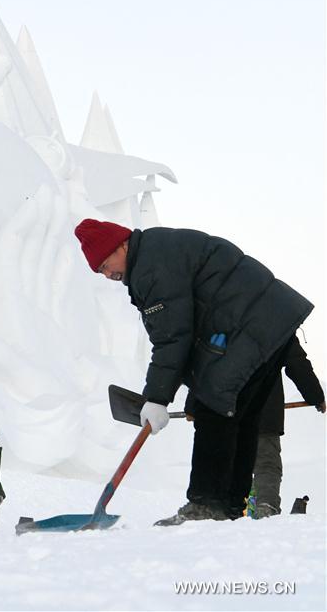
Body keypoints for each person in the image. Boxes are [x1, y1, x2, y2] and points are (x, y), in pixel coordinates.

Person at [74, 219, 314, 525]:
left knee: (215, 405)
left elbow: (173, 337)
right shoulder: (157, 250)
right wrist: (184, 397)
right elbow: (193, 337)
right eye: (101, 272)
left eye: (106, 265)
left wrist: (157, 397)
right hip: (269, 321)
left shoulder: (150, 267)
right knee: (238, 415)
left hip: (249, 326)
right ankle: (228, 506)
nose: (108, 275)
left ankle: (206, 505)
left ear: (122, 245)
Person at [247, 334, 325, 517]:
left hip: (224, 410)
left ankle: (224, 507)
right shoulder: (279, 321)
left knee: (228, 461)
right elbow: (297, 364)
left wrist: (194, 406)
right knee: (266, 463)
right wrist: (316, 396)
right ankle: (265, 506)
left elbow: (206, 364)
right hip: (263, 410)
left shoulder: (223, 316)